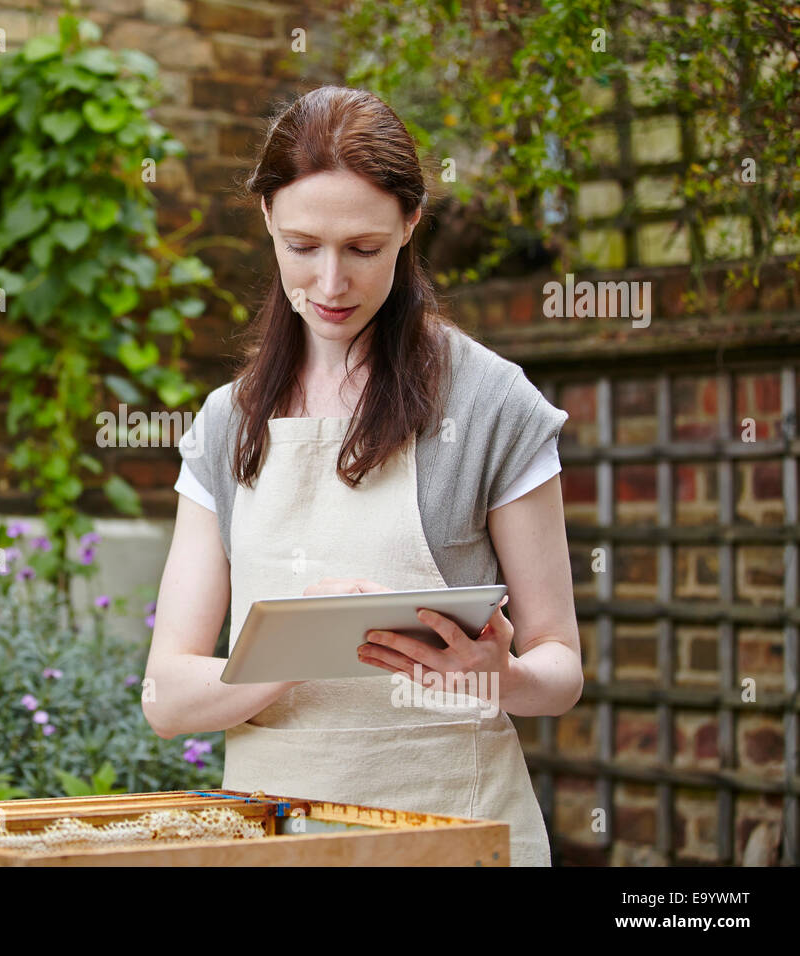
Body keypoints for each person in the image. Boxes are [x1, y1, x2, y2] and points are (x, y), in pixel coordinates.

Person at [141, 86, 583, 867]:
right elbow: (169, 697)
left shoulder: (489, 403)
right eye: (303, 246)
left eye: (364, 248)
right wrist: (295, 648)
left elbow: (561, 670)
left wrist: (502, 676)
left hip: (458, 836)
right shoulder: (226, 422)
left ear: (411, 226)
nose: (332, 283)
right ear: (269, 220)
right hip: (275, 842)